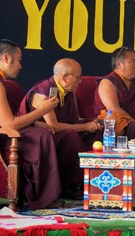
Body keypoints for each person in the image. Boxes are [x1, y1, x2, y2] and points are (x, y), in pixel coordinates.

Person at [19, 58, 102, 196]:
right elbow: (54, 126)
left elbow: (74, 120)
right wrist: (85, 126)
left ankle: (92, 182)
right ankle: (70, 185)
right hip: (36, 137)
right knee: (70, 136)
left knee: (98, 132)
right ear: (64, 77)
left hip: (56, 133)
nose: (80, 81)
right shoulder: (44, 92)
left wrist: (92, 123)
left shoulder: (68, 92)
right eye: (78, 77)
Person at [0, 39, 62, 209]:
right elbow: (9, 123)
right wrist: (42, 110)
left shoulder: (4, 83)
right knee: (40, 137)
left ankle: (42, 196)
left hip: (6, 130)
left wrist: (34, 122)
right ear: (6, 58)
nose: (20, 66)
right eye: (19, 60)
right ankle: (40, 198)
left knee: (41, 132)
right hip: (5, 136)